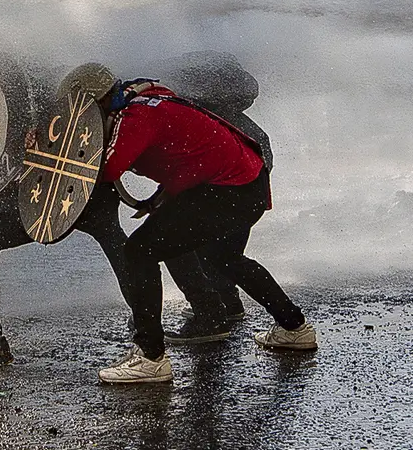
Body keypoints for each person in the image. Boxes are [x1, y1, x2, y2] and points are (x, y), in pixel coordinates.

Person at [0, 66, 233, 367]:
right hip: (94, 193)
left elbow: (93, 155)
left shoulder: (130, 116)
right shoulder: (137, 100)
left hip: (78, 192)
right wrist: (39, 145)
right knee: (124, 248)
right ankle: (172, 317)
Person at [80, 63, 318, 385]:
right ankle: (295, 328)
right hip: (248, 184)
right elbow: (186, 154)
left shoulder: (135, 118)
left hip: (227, 191)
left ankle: (150, 356)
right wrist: (159, 199)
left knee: (140, 252)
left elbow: (106, 170)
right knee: (224, 258)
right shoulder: (150, 100)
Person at [159, 51, 275, 335]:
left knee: (184, 244)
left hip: (228, 193)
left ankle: (212, 313)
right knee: (226, 252)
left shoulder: (206, 125)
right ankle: (228, 300)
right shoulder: (247, 127)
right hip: (246, 197)